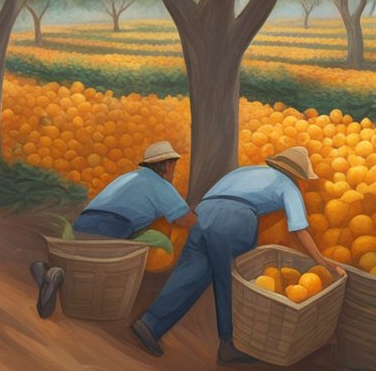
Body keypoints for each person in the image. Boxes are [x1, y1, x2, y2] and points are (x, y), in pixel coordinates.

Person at [130, 146, 341, 365]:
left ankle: (149, 324)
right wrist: (322, 262)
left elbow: (212, 196)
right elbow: (299, 229)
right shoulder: (290, 186)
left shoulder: (244, 171)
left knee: (190, 273)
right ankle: (230, 344)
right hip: (235, 219)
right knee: (233, 280)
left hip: (203, 213)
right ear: (299, 175)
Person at [30, 141, 197, 318]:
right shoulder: (161, 185)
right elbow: (187, 220)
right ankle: (55, 276)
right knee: (99, 267)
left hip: (82, 222)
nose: (174, 170)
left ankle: (49, 273)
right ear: (168, 164)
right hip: (114, 225)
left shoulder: (128, 177)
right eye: (174, 165)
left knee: (80, 259)